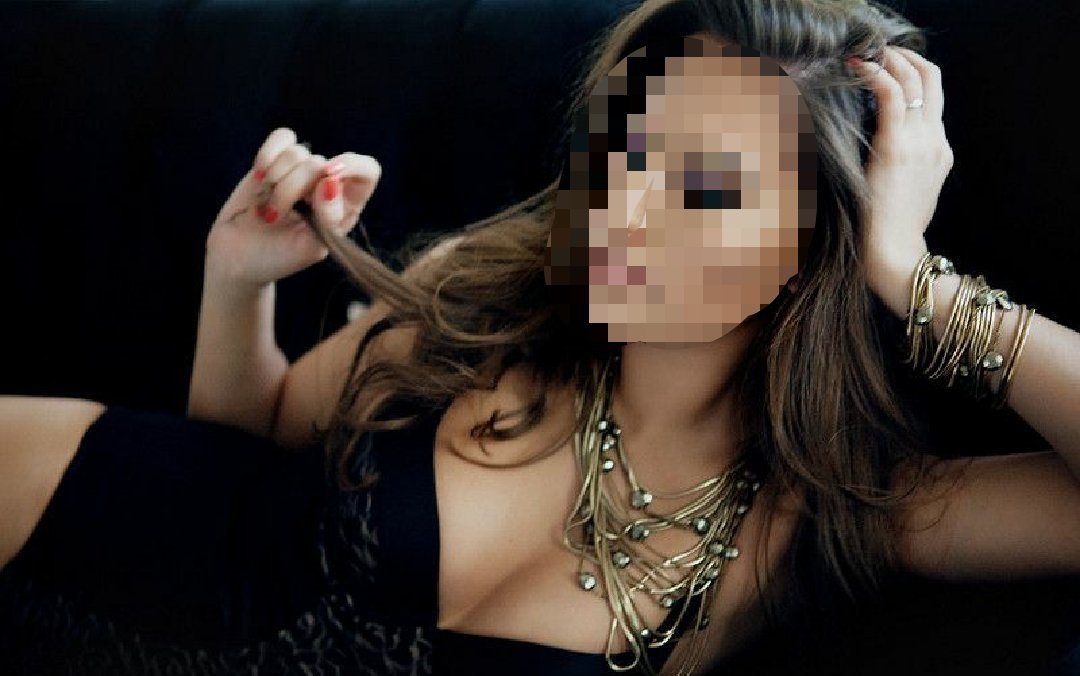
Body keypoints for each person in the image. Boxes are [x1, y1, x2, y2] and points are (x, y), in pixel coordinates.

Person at [2, 0, 1078, 674]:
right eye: (630, 152)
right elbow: (242, 452)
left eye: (704, 186)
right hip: (60, 532)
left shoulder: (841, 510)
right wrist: (236, 282)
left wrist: (909, 274)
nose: (628, 205)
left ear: (809, 250)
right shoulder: (489, 299)